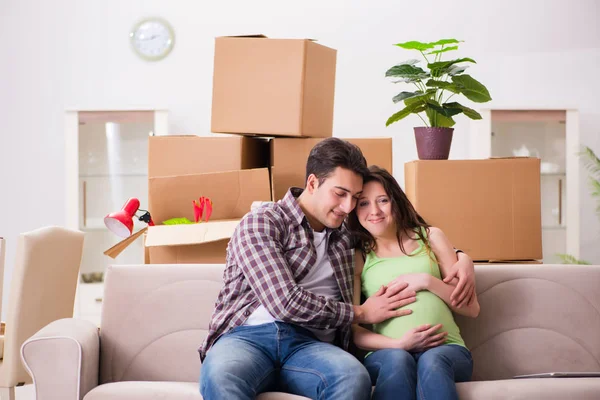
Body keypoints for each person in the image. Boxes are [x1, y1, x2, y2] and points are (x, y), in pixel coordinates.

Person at [199, 138, 476, 399]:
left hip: (310, 345)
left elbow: (400, 236)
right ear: (312, 183)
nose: (348, 206)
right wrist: (362, 312)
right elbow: (284, 302)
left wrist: (463, 259)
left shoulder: (348, 235)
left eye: (355, 197)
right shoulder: (263, 222)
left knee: (353, 377)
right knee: (222, 376)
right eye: (340, 194)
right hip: (249, 338)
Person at [347, 165, 481, 400]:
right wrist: (400, 344)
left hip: (447, 349)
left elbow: (471, 309)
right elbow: (354, 331)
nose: (375, 211)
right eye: (364, 203)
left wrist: (427, 281)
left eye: (383, 200)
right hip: (388, 353)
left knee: (433, 360)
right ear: (355, 212)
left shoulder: (430, 237)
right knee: (398, 360)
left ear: (396, 201)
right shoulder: (360, 256)